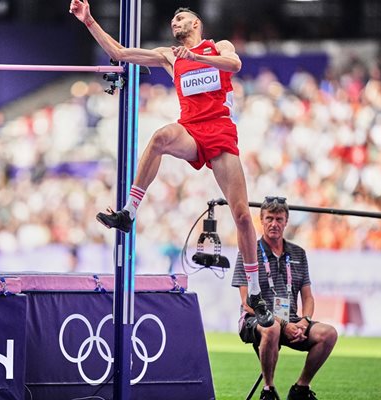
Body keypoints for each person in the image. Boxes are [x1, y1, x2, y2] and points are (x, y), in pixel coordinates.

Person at [69, 0, 273, 327]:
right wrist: (89, 20)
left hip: (220, 132)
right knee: (161, 137)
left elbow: (233, 65)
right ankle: (129, 213)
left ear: (196, 23)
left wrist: (196, 57)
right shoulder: (168, 55)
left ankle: (255, 291)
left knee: (241, 216)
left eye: (180, 19)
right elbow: (120, 53)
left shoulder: (217, 46)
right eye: (172, 21)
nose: (174, 23)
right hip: (191, 130)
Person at [232, 197, 338, 400]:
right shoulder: (247, 252)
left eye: (279, 219)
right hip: (255, 320)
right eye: (269, 218)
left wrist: (305, 321)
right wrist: (283, 323)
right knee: (271, 328)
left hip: (291, 319)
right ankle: (268, 391)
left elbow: (308, 297)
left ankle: (301, 389)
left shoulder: (299, 253)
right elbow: (247, 302)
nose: (274, 224)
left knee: (329, 334)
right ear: (261, 221)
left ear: (286, 221)